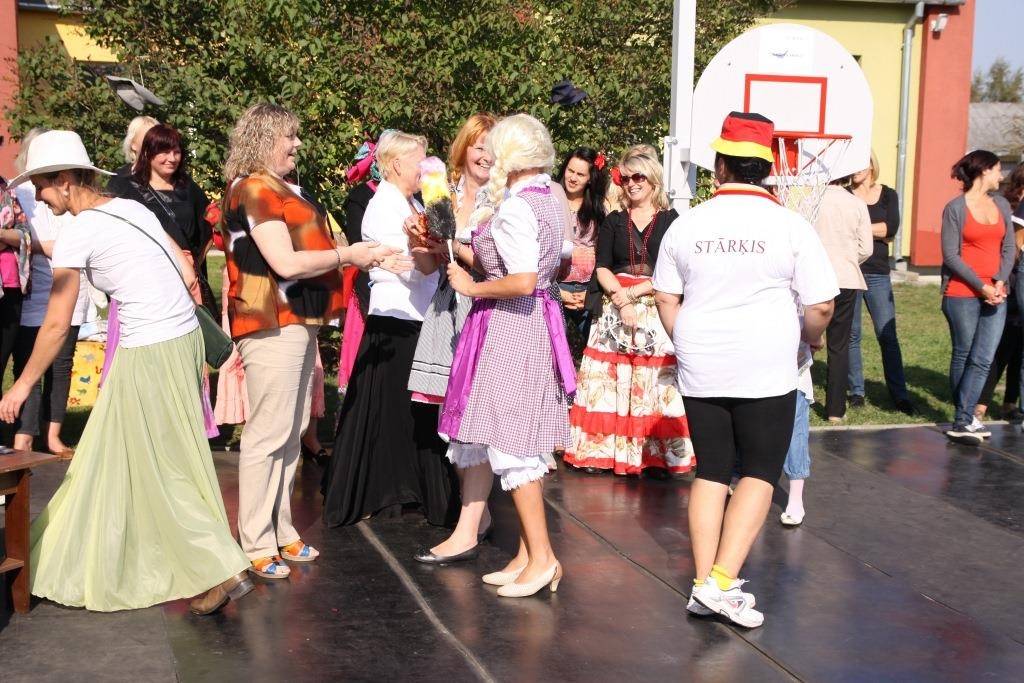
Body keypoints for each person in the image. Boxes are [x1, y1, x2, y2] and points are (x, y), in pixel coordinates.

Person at [0, 130, 252, 614]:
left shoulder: (77, 232)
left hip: (150, 349)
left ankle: (222, 566)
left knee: (160, 464)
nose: (42, 199)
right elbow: (185, 272)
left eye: (43, 187)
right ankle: (87, 555)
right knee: (120, 457)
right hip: (180, 341)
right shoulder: (131, 208)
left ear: (66, 181)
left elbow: (56, 324)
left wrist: (22, 386)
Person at [653, 112, 837, 628]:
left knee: (711, 470)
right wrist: (809, 338)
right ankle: (720, 583)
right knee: (758, 471)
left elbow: (666, 296)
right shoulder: (790, 225)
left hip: (701, 359)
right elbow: (822, 304)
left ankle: (703, 583)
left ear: (720, 166)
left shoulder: (688, 223)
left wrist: (686, 339)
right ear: (768, 168)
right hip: (766, 362)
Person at [222, 104, 406, 579]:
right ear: (266, 138)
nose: (298, 144)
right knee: (269, 432)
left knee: (292, 427)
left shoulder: (279, 187)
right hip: (271, 320)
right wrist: (349, 256)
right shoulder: (255, 188)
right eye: (290, 136)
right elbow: (284, 262)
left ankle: (280, 529)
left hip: (297, 320)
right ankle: (255, 540)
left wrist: (365, 255)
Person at [440, 113, 572, 597]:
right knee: (522, 441)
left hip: (514, 326)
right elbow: (546, 266)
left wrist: (471, 287)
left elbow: (523, 280)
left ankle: (543, 560)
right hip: (533, 323)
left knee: (513, 444)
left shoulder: (518, 206)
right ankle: (528, 555)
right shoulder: (547, 198)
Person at [322, 129, 459, 529]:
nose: (425, 168)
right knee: (388, 410)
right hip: (395, 317)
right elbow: (405, 265)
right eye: (419, 160)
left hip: (416, 315)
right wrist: (426, 253)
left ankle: (406, 486)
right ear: (396, 163)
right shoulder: (383, 205)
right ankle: (382, 489)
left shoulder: (413, 202)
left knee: (408, 412)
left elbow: (422, 261)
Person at [563, 145, 693, 477]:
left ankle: (653, 457)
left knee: (652, 384)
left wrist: (634, 294)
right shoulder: (614, 221)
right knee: (609, 382)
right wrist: (621, 301)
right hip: (614, 308)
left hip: (654, 309)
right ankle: (601, 452)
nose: (632, 183)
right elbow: (602, 266)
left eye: (638, 177)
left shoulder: (671, 221)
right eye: (626, 178)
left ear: (653, 181)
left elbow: (672, 272)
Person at [11, 128, 92, 457]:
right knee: (29, 362)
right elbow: (18, 236)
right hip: (34, 290)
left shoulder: (78, 198)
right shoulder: (20, 193)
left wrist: (51, 246)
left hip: (71, 285)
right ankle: (24, 433)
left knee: (61, 364)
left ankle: (52, 434)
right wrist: (41, 245)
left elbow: (77, 242)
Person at [408, 113, 495, 403]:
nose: (487, 156)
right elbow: (428, 267)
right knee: (446, 409)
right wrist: (416, 239)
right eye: (479, 147)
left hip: (484, 304)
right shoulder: (444, 197)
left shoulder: (501, 201)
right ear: (463, 149)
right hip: (447, 306)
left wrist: (455, 248)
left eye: (492, 149)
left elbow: (495, 268)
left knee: (477, 402)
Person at [941, 150, 1016, 444]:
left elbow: (1009, 247)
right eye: (997, 169)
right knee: (964, 353)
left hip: (997, 292)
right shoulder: (955, 208)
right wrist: (981, 286)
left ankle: (965, 417)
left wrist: (999, 281)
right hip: (962, 293)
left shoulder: (1001, 204)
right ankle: (964, 418)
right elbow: (951, 255)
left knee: (983, 358)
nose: (1001, 175)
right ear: (984, 170)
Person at [847, 153, 915, 415]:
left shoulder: (888, 194)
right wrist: (877, 230)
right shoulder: (845, 195)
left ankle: (900, 395)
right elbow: (850, 229)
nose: (854, 170)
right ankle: (856, 392)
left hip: (877, 273)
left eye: (859, 164)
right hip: (850, 271)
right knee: (852, 335)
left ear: (871, 165)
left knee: (887, 335)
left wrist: (859, 227)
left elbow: (892, 228)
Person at [813, 178, 872, 421]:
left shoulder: (813, 201)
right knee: (839, 345)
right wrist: (848, 258)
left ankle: (797, 396)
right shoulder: (856, 203)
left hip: (816, 276)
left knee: (805, 340)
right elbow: (866, 248)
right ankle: (835, 410)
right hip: (846, 276)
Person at [975, 164, 1024, 423]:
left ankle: (1009, 402)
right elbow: (1014, 245)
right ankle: (981, 403)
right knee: (1004, 346)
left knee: (1019, 348)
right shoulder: (1007, 205)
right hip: (1011, 278)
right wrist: (1004, 278)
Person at [554, 147, 607, 362]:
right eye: (570, 171)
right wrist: (559, 293)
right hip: (555, 289)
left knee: (592, 356)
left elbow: (604, 253)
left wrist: (590, 294)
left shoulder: (598, 209)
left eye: (580, 174)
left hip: (587, 292)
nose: (573, 178)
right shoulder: (551, 201)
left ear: (590, 179)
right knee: (553, 355)